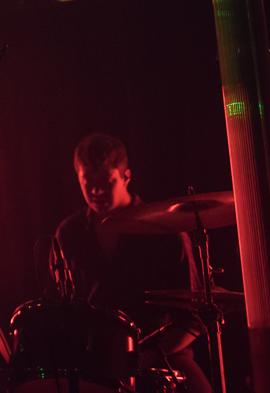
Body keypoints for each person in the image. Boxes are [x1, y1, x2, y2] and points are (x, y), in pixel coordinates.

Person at [56, 132, 212, 393]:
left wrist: (142, 357)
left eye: (105, 181)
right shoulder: (69, 233)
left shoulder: (165, 231)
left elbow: (193, 321)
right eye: (87, 182)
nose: (95, 191)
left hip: (164, 354)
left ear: (126, 176)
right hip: (95, 357)